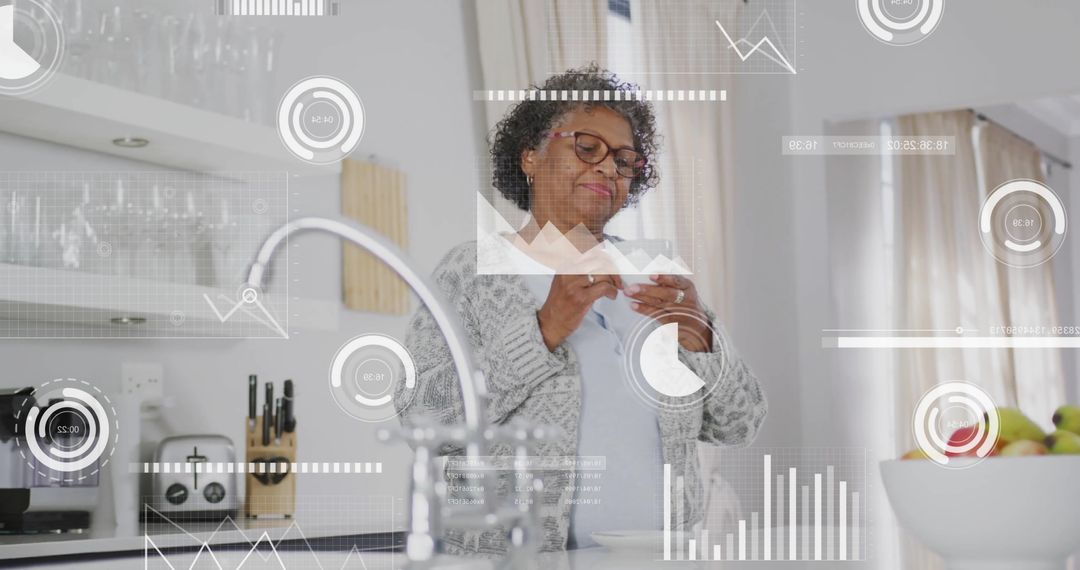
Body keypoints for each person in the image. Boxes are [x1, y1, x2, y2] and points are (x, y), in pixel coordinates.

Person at [397, 64, 766, 555]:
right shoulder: (471, 272)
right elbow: (422, 419)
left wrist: (702, 341)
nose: (609, 168)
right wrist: (544, 330)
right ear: (530, 155)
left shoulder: (656, 273)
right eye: (587, 147)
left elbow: (740, 424)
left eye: (624, 160)